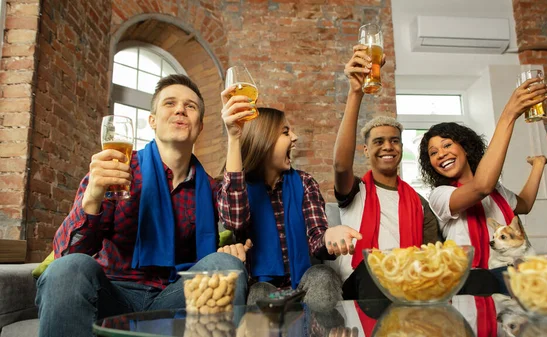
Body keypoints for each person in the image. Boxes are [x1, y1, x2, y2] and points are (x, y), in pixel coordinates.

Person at [36, 75, 250, 337]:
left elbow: (236, 220)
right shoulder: (118, 170)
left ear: (200, 126)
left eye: (190, 106)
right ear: (152, 121)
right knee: (68, 269)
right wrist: (92, 196)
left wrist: (234, 137)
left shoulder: (207, 186)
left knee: (226, 264)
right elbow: (67, 253)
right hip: (114, 295)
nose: (181, 109)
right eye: (170, 103)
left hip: (175, 297)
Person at [218, 86, 362, 312]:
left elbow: (316, 239)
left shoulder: (305, 182)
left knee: (323, 275)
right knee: (259, 292)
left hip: (304, 281)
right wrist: (234, 138)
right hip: (261, 282)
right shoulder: (237, 187)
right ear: (263, 140)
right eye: (285, 132)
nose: (294, 137)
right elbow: (234, 220)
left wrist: (329, 236)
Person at [418, 76, 547, 294]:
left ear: (466, 148)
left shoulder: (496, 191)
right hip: (473, 277)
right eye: (433, 153)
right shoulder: (440, 196)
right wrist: (509, 114)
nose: (441, 154)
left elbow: (524, 205)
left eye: (447, 145)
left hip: (513, 271)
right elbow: (480, 187)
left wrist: (538, 165)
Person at [331, 44, 440, 300]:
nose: (388, 146)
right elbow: (340, 166)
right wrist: (355, 93)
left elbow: (430, 255)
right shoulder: (356, 190)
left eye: (395, 141)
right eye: (379, 142)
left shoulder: (419, 203)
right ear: (367, 150)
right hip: (362, 284)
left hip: (407, 283)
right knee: (374, 269)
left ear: (401, 147)